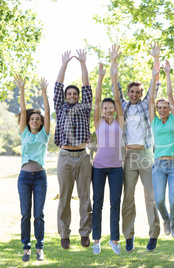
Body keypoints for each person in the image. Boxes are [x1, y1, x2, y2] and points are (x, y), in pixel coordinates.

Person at [119, 43, 161, 252]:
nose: (134, 94)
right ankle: (129, 235)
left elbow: (155, 84)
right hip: (128, 155)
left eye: (138, 92)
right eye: (132, 91)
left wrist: (156, 59)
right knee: (128, 198)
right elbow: (114, 85)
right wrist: (113, 62)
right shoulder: (123, 106)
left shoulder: (146, 105)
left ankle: (153, 234)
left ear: (141, 93)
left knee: (151, 197)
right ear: (128, 92)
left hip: (145, 155)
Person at [54, 50, 93, 250]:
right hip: (65, 157)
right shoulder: (60, 107)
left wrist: (83, 63)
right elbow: (58, 86)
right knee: (65, 197)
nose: (72, 95)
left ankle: (85, 233)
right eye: (69, 94)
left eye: (74, 94)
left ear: (78, 96)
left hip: (83, 157)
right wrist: (64, 64)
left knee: (85, 197)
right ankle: (64, 234)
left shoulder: (85, 107)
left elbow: (87, 86)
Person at [91, 44, 125, 255]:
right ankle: (96, 240)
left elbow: (117, 97)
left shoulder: (120, 121)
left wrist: (114, 69)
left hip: (116, 168)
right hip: (98, 167)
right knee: (98, 204)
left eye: (110, 106)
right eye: (105, 108)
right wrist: (101, 77)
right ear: (102, 111)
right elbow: (96, 99)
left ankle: (114, 239)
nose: (108, 109)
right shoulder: (98, 122)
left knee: (115, 204)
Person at [15, 75, 50, 262]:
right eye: (32, 118)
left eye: (38, 119)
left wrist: (44, 92)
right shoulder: (24, 133)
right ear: (28, 121)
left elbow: (48, 112)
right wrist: (21, 89)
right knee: (25, 214)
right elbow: (22, 109)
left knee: (39, 214)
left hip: (40, 178)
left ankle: (39, 247)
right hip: (24, 178)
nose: (35, 120)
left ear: (41, 122)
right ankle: (26, 247)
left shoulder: (45, 134)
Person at [149, 59, 174, 238]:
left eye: (165, 107)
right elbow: (151, 99)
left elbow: (170, 96)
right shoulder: (154, 121)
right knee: (160, 200)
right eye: (159, 108)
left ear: (169, 109)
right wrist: (154, 77)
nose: (162, 109)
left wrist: (167, 74)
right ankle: (166, 219)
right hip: (158, 167)